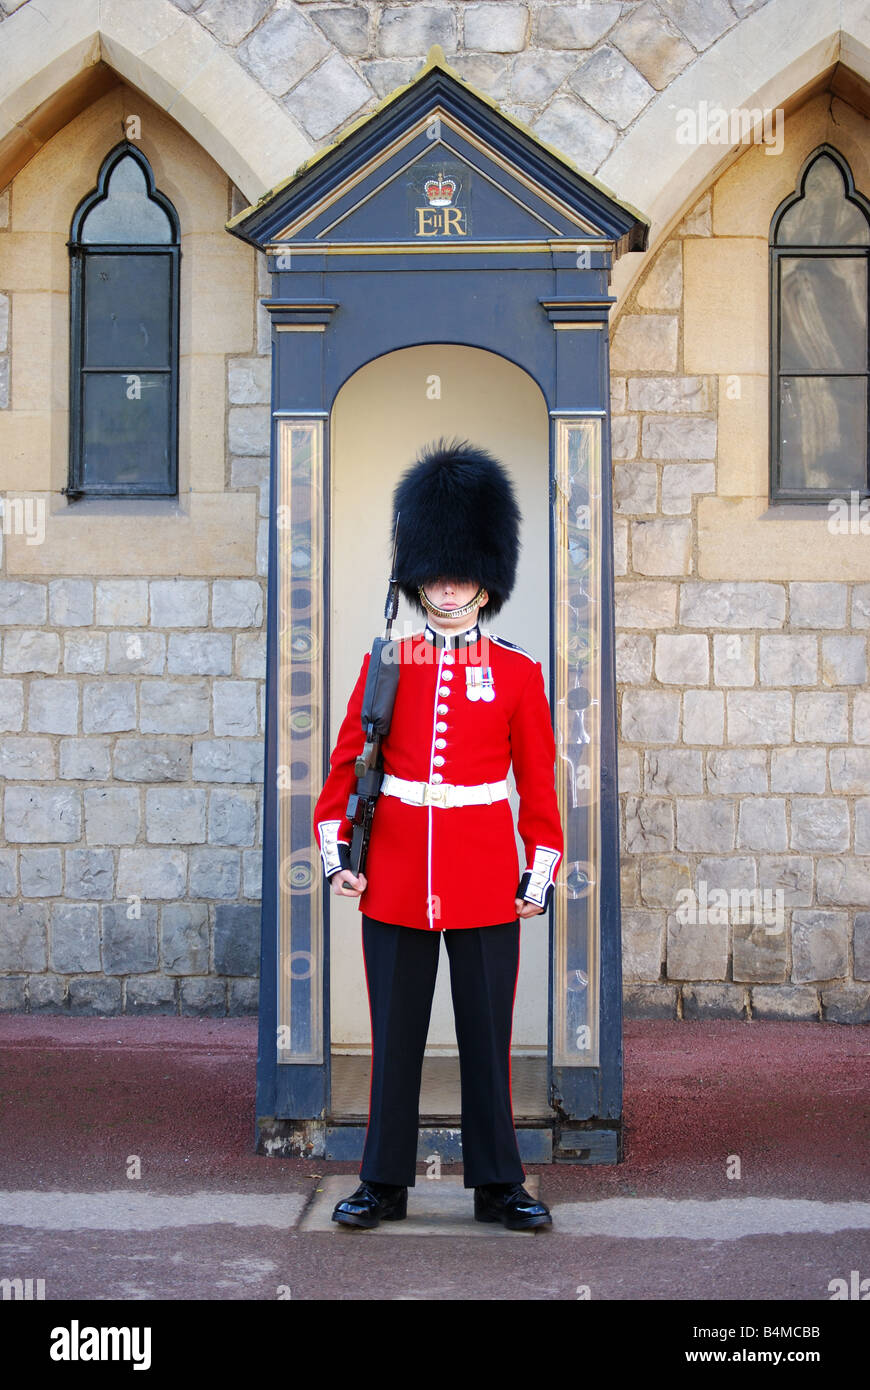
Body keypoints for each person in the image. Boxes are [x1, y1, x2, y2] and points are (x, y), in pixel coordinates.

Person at [312, 438, 564, 1231]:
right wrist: (335, 857)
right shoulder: (387, 662)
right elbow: (348, 764)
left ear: (487, 582)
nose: (448, 585)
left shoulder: (520, 673)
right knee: (397, 1042)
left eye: (461, 572)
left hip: (486, 875)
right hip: (391, 876)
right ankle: (383, 1182)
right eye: (436, 572)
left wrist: (541, 869)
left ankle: (498, 1185)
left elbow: (538, 782)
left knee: (487, 1040)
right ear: (417, 580)